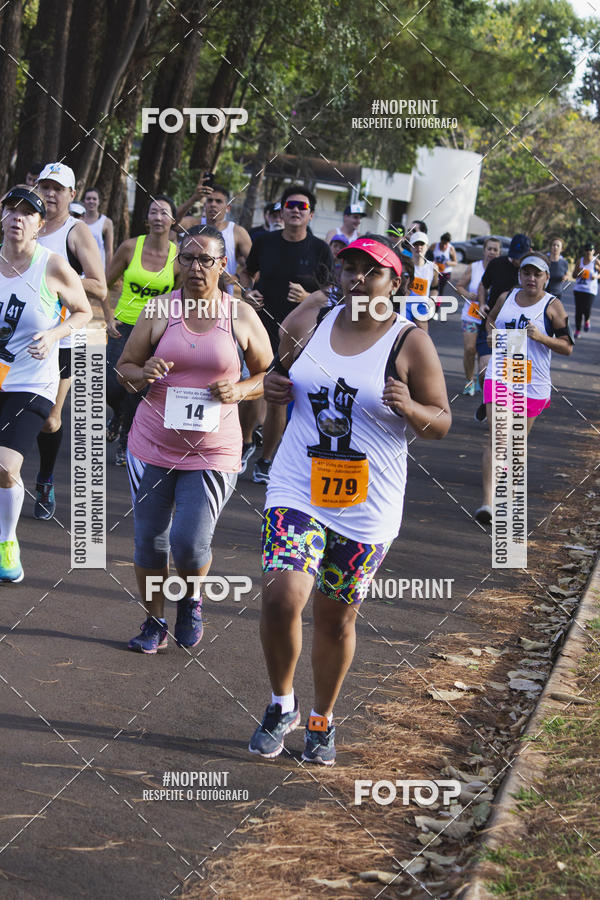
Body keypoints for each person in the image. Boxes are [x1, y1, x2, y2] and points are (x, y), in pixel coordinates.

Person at [248, 234, 450, 764]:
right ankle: (280, 702)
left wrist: (410, 407)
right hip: (298, 486)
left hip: (368, 505)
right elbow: (278, 378)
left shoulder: (409, 344)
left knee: (336, 618)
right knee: (281, 596)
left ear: (394, 282)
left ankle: (322, 717)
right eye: (348, 269)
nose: (356, 279)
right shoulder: (309, 325)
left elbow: (441, 422)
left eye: (371, 271)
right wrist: (271, 388)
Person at [116, 225, 272, 654]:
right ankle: (154, 620)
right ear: (177, 263)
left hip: (213, 448)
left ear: (224, 266)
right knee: (149, 540)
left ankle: (190, 599)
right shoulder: (158, 310)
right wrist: (142, 373)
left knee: (188, 542)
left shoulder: (239, 314)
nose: (196, 267)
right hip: (151, 443)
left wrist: (239, 390)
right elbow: (124, 367)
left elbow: (269, 376)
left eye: (206, 260)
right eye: (187, 258)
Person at [0, 186, 91, 580]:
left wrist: (55, 335)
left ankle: (7, 543)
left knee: (5, 467)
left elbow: (84, 311)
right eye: (11, 210)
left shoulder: (51, 265)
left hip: (32, 381)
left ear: (39, 225)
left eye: (27, 213)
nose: (17, 217)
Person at [242, 185, 334, 484]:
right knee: (252, 388)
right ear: (281, 211)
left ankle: (266, 460)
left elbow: (332, 290)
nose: (295, 210)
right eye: (290, 205)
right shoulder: (265, 242)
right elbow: (247, 272)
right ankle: (245, 444)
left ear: (311, 215)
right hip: (261, 325)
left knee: (280, 395)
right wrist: (248, 292)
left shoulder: (319, 249)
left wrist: (309, 295)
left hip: (298, 333)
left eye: (302, 207)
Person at [475, 251, 573, 525]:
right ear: (520, 275)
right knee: (498, 437)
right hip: (502, 372)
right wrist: (490, 334)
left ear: (545, 277)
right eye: (526, 273)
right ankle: (487, 503)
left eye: (537, 274)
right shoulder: (507, 297)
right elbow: (491, 319)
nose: (531, 278)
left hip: (533, 381)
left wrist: (541, 337)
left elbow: (567, 346)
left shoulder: (553, 306)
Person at [34, 162, 108, 519]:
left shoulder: (76, 232)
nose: (50, 194)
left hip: (62, 339)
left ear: (71, 195)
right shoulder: (25, 221)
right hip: (18, 335)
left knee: (50, 419)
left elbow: (99, 285)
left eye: (57, 189)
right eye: (45, 186)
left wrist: (59, 280)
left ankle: (46, 478)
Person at [105, 195, 179, 465]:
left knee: (139, 389)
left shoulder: (178, 257)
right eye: (153, 212)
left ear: (173, 220)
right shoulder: (129, 247)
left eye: (164, 213)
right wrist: (107, 316)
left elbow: (181, 297)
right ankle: (119, 414)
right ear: (146, 219)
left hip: (157, 331)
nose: (158, 218)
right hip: (124, 325)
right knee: (112, 386)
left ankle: (126, 440)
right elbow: (105, 283)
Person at [473, 233, 531, 419]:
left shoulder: (532, 271)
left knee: (512, 378)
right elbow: (483, 285)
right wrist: (482, 303)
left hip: (518, 332)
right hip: (492, 322)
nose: (516, 260)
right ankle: (488, 399)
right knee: (484, 369)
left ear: (528, 252)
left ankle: (503, 409)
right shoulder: (497, 264)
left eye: (520, 256)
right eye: (513, 255)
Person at [178, 183, 252, 295]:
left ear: (228, 208)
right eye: (209, 201)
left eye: (218, 201)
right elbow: (172, 222)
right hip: (190, 296)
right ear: (205, 205)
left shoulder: (237, 232)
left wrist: (237, 277)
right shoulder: (193, 224)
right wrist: (194, 198)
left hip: (222, 298)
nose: (213, 204)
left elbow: (255, 264)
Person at [456, 236, 501, 395]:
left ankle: (484, 378)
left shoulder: (500, 269)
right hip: (472, 314)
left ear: (499, 252)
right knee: (470, 349)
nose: (492, 252)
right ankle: (469, 381)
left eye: (495, 250)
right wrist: (469, 295)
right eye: (489, 249)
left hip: (492, 317)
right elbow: (459, 286)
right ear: (484, 251)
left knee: (488, 353)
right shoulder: (474, 267)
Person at [406, 231, 437, 332]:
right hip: (405, 307)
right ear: (410, 247)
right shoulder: (405, 265)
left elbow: (434, 288)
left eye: (422, 244)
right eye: (415, 244)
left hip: (422, 308)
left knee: (423, 337)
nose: (418, 247)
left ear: (427, 247)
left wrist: (432, 302)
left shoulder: (433, 267)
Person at [572, 241, 599, 338]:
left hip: (590, 289)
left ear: (593, 251)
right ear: (585, 251)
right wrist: (579, 272)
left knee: (587, 308)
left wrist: (596, 276)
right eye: (587, 249)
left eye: (590, 250)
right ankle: (578, 330)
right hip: (579, 288)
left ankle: (587, 320)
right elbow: (574, 275)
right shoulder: (580, 261)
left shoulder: (596, 262)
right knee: (578, 310)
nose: (588, 252)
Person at [83, 186, 114, 270]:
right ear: (84, 201)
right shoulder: (76, 220)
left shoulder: (107, 222)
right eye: (88, 199)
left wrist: (108, 272)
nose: (91, 201)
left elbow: (109, 251)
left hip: (98, 268)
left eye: (94, 199)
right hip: (79, 267)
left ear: (99, 201)